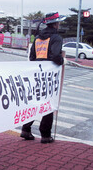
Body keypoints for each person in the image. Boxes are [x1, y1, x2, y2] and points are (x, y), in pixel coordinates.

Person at [20, 12, 66, 144]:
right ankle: (45, 135)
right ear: (56, 24)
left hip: (37, 75)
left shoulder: (38, 38)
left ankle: (26, 129)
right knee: (48, 104)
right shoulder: (56, 37)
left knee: (35, 102)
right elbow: (56, 57)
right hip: (49, 77)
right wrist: (62, 60)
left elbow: (32, 57)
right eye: (59, 22)